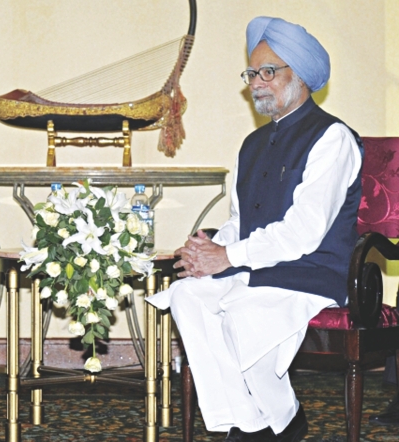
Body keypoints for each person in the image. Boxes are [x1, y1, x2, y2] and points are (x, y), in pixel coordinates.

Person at [147, 17, 363, 442]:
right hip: (257, 268)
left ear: (300, 76)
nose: (257, 83)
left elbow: (304, 231)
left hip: (310, 274)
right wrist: (209, 249)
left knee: (241, 313)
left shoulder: (332, 137)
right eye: (251, 73)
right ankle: (259, 423)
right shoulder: (251, 145)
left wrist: (226, 257)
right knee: (187, 296)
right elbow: (240, 223)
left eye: (268, 71)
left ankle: (261, 425)